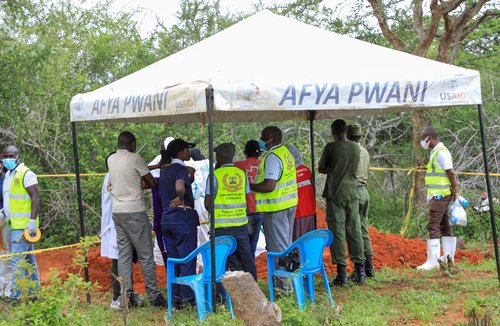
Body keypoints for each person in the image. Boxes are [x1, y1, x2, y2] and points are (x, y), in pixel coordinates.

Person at [107, 131, 166, 307]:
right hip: (134, 211)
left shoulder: (111, 160)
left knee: (124, 256)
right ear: (131, 143)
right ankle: (154, 296)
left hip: (118, 212)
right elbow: (152, 182)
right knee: (146, 255)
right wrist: (144, 183)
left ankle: (126, 296)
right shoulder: (135, 158)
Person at [250, 126, 298, 292]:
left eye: (264, 137)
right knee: (285, 245)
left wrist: (250, 186)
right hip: (288, 205)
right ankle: (287, 284)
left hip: (276, 207)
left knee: (278, 249)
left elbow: (269, 185)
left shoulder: (272, 157)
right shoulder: (285, 152)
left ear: (274, 139)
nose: (261, 140)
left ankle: (284, 289)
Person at [319, 120, 365, 286]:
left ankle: (342, 274)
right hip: (352, 192)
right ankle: (360, 271)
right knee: (354, 229)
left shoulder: (331, 147)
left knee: (337, 230)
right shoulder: (355, 147)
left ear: (333, 131)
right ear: (346, 131)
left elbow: (321, 168)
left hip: (335, 192)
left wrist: (334, 169)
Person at [205, 143, 257, 280]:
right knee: (247, 258)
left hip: (221, 227)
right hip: (240, 225)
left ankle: (222, 294)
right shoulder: (241, 174)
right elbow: (245, 196)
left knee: (222, 260)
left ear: (220, 157)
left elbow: (207, 203)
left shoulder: (214, 175)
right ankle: (254, 288)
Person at [159, 139, 199, 309]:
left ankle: (175, 301)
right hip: (182, 219)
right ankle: (188, 300)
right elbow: (180, 186)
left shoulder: (164, 171)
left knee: (173, 260)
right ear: (180, 153)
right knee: (187, 259)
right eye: (187, 150)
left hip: (166, 220)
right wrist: (181, 197)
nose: (189, 153)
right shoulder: (180, 169)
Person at [1, 145, 40, 300]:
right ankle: (34, 293)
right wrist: (4, 211)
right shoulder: (9, 175)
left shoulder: (26, 174)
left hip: (23, 226)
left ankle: (16, 297)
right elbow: (11, 200)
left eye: (10, 156)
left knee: (17, 261)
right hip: (13, 224)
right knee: (29, 261)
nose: (7, 159)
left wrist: (32, 221)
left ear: (18, 156)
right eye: (5, 156)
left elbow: (35, 198)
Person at [417, 127, 458, 270]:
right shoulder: (436, 152)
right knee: (445, 225)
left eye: (423, 138)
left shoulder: (441, 153)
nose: (422, 142)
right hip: (439, 194)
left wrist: (455, 190)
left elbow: (450, 173)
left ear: (429, 138)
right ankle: (448, 258)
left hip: (440, 195)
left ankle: (433, 261)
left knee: (433, 225)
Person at [347, 124, 375, 278]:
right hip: (364, 191)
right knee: (363, 229)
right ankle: (369, 268)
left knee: (354, 231)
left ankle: (359, 270)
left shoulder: (349, 151)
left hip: (353, 192)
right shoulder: (364, 151)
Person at [148, 137, 174, 266]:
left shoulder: (179, 165)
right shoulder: (157, 162)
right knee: (164, 242)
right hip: (162, 213)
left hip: (174, 214)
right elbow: (144, 172)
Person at [234, 140, 263, 256]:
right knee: (252, 246)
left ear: (245, 152)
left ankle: (244, 270)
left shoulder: (237, 166)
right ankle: (250, 269)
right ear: (259, 153)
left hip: (243, 211)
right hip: (260, 209)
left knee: (241, 246)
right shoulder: (263, 165)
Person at [185, 148, 210, 272]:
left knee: (198, 232)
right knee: (205, 231)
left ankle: (201, 262)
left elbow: (195, 187)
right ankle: (206, 259)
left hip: (198, 201)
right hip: (208, 200)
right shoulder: (210, 163)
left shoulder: (195, 166)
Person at [285, 145, 316, 241]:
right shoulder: (306, 170)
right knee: (309, 240)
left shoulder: (289, 174)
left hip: (297, 213)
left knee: (297, 241)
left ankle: (298, 256)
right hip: (310, 211)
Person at [0, 158, 13, 299]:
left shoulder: (7, 180)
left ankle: (6, 288)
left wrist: (3, 212)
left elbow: (9, 201)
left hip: (3, 221)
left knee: (5, 256)